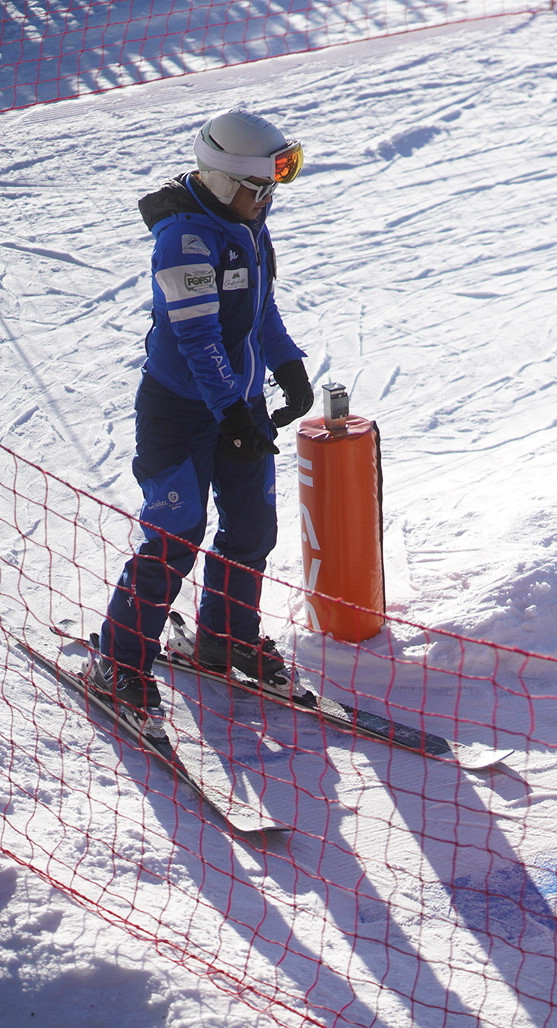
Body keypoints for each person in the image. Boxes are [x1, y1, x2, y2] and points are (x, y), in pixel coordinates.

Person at [89, 108, 314, 725]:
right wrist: (234, 412)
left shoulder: (248, 225)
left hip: (236, 406)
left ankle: (225, 637)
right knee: (177, 533)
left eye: (272, 188)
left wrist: (286, 364)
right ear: (219, 180)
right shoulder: (183, 240)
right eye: (256, 187)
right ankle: (120, 659)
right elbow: (198, 339)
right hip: (181, 414)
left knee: (250, 529)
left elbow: (261, 308)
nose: (266, 200)